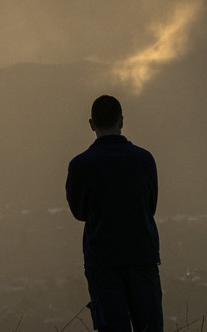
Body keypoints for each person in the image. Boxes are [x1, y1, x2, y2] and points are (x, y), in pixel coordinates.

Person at [65, 95, 163, 332]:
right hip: (142, 256)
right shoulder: (144, 159)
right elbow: (150, 206)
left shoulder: (80, 165)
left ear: (92, 124)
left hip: (103, 260)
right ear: (121, 121)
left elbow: (78, 212)